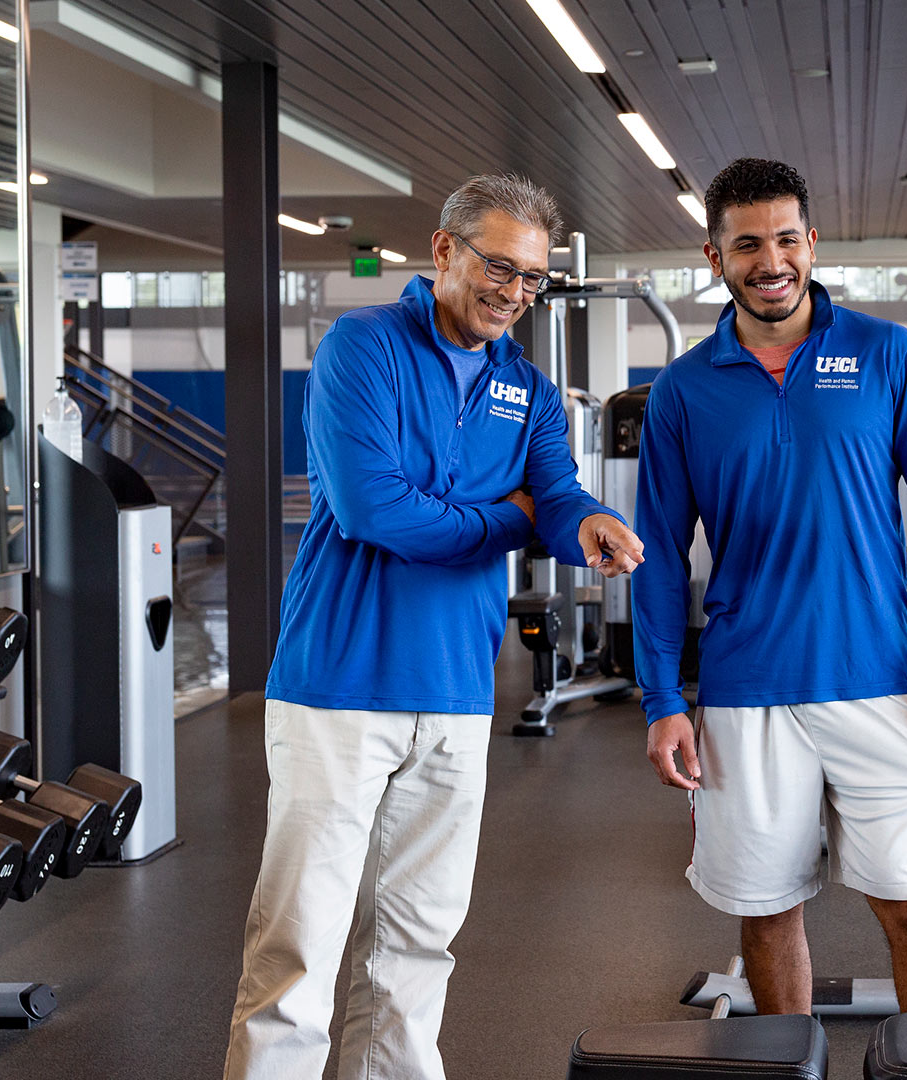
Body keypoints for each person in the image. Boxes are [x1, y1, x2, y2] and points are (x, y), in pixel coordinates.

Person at [224, 173, 643, 1080]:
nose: (514, 292)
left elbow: (557, 490)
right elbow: (378, 511)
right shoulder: (361, 349)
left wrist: (582, 523)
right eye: (500, 266)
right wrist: (512, 518)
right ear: (444, 249)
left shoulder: (524, 388)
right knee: (300, 945)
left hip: (456, 694)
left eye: (532, 279)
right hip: (339, 689)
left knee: (417, 947)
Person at [632, 157, 907, 1015]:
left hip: (885, 681)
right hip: (748, 687)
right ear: (714, 258)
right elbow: (655, 552)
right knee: (765, 913)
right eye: (747, 243)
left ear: (812, 243)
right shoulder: (681, 391)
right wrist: (659, 698)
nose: (771, 259)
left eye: (787, 238)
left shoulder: (887, 354)